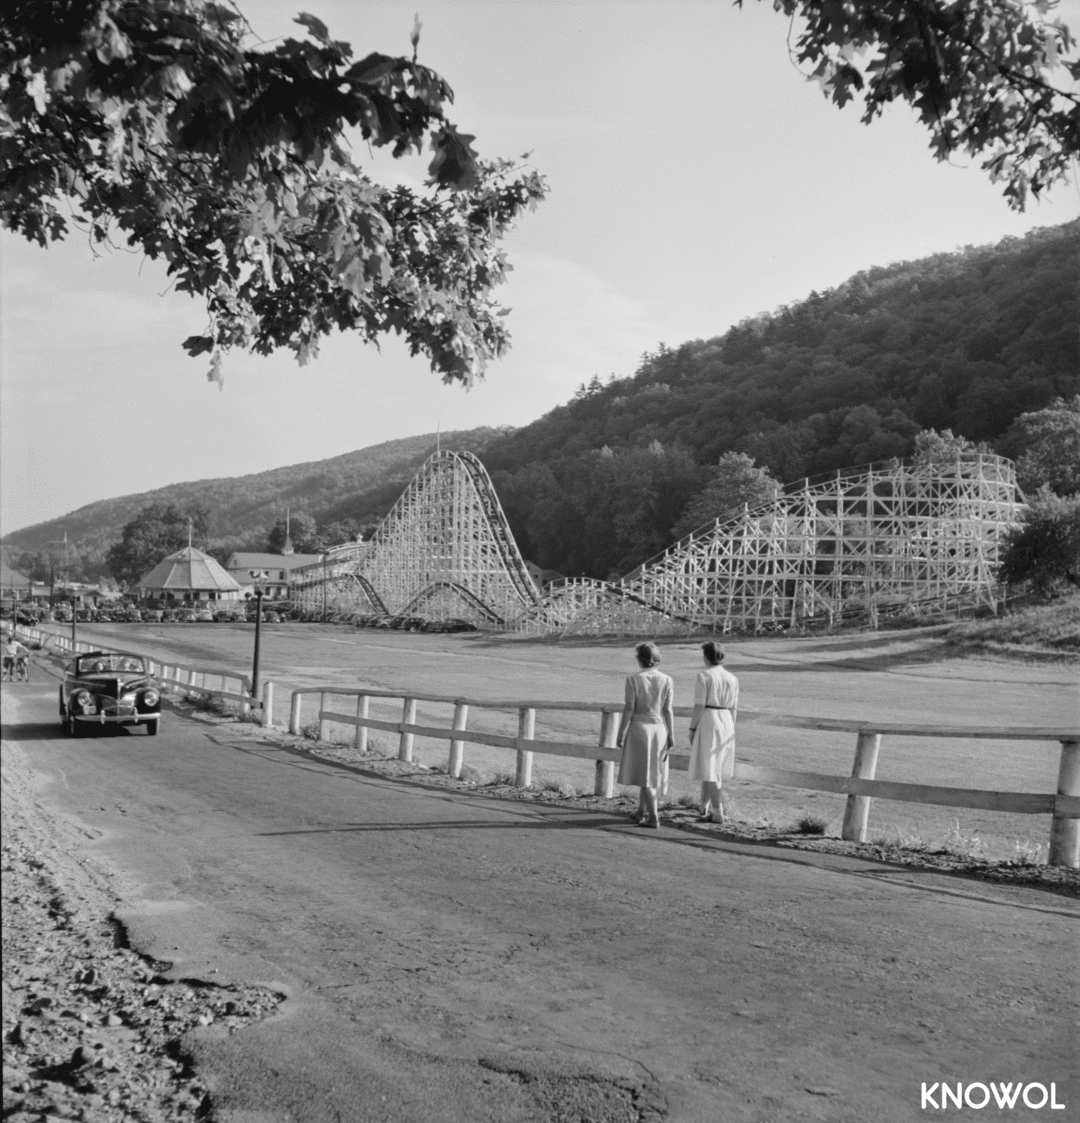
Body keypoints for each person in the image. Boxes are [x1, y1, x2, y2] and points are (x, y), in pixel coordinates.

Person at [616, 641, 674, 828]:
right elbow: (668, 709)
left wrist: (621, 730)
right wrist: (672, 733)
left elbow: (630, 707)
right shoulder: (667, 679)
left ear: (640, 659)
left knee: (645, 774)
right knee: (650, 772)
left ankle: (654, 817)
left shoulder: (633, 679)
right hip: (659, 728)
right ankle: (641, 811)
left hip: (640, 727)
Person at [687, 640, 738, 823]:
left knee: (711, 767)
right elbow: (734, 708)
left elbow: (699, 704)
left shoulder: (704, 675)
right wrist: (732, 729)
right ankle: (705, 805)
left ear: (706, 657)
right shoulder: (732, 678)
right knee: (714, 765)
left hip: (710, 719)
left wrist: (692, 728)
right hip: (726, 720)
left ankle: (717, 811)